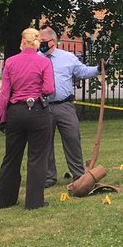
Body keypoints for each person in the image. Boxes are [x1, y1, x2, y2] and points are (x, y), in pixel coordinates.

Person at [0, 28, 55, 210]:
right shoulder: (43, 63)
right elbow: (49, 89)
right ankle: (34, 201)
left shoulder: (11, 62)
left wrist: (2, 116)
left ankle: (4, 199)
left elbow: (4, 93)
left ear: (22, 41)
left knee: (11, 156)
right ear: (37, 42)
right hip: (37, 110)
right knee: (37, 157)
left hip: (15, 111)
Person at [39, 26, 102, 188]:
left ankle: (78, 174)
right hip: (43, 106)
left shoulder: (68, 57)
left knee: (73, 139)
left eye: (43, 41)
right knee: (45, 142)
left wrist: (98, 69)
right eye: (39, 41)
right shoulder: (36, 58)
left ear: (53, 42)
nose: (41, 44)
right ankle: (49, 176)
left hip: (65, 105)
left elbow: (82, 71)